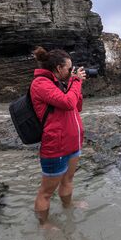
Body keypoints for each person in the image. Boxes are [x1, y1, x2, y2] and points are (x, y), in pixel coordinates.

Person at [30, 46, 87, 229]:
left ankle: (67, 206)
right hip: (56, 147)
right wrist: (76, 81)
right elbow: (67, 102)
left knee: (68, 180)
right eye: (69, 69)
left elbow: (76, 106)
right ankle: (43, 224)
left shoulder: (62, 82)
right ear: (58, 68)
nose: (71, 72)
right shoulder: (40, 84)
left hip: (72, 143)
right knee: (46, 192)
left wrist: (74, 83)